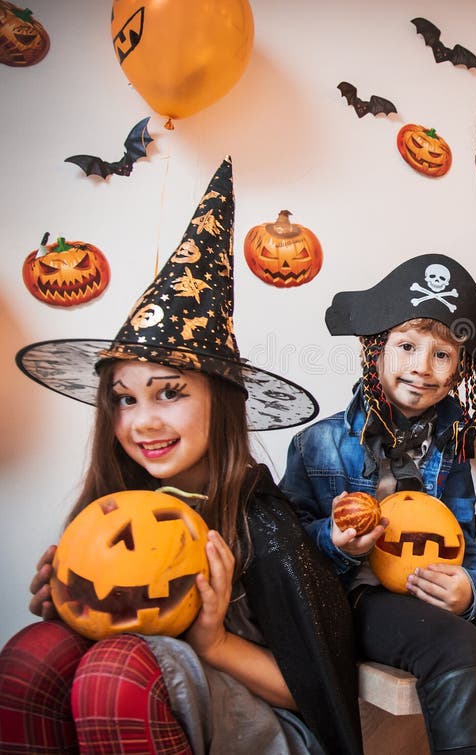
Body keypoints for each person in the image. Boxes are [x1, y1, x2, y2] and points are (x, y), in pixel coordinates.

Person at [0, 158, 363, 755]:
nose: (142, 421)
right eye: (123, 399)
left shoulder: (262, 521)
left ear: (219, 403)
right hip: (128, 707)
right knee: (31, 656)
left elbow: (318, 692)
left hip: (255, 729)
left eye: (170, 392)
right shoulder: (111, 512)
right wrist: (72, 606)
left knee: (115, 668)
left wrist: (212, 638)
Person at [280, 253, 476, 755]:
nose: (422, 368)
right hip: (360, 598)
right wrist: (336, 540)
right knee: (457, 645)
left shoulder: (448, 450)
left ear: (459, 372)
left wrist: (471, 589)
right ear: (375, 352)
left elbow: (464, 538)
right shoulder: (316, 444)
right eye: (407, 346)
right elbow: (287, 546)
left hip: (435, 587)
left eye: (442, 355)